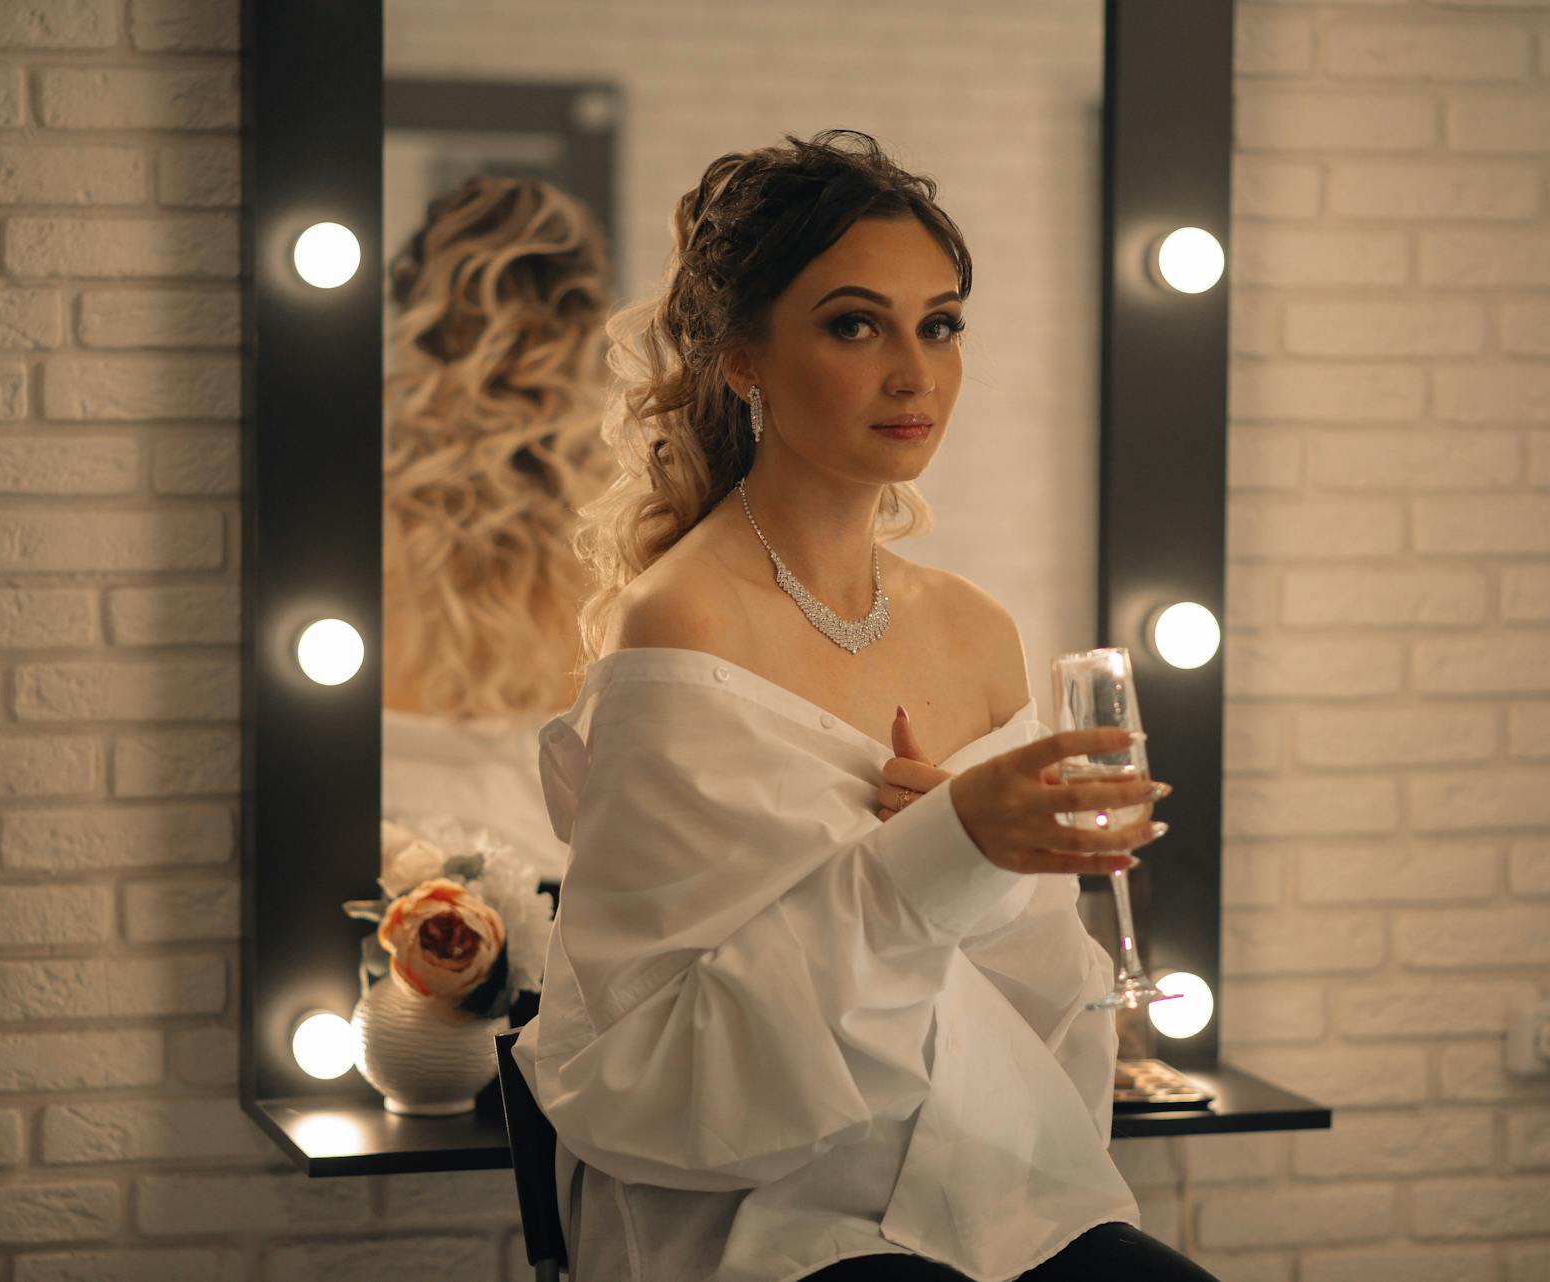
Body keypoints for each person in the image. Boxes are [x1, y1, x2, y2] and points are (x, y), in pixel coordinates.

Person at [513, 130, 1216, 1282]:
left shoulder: (976, 630)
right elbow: (652, 1068)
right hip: (766, 1209)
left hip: (989, 1165)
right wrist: (936, 855)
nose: (915, 371)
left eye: (939, 324)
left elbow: (1042, 1001)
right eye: (855, 324)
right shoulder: (681, 625)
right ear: (743, 358)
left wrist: (980, 862)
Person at [380, 174, 616, 883]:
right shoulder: (630, 522)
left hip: (374, 892)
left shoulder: (342, 506)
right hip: (563, 900)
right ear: (586, 319)